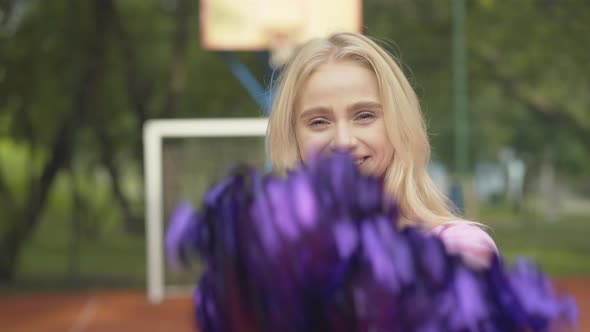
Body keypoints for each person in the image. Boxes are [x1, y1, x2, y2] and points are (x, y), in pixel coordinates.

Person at [266, 32, 497, 269]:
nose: (343, 142)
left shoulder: (457, 249)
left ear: (398, 125)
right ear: (292, 136)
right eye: (318, 122)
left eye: (365, 116)